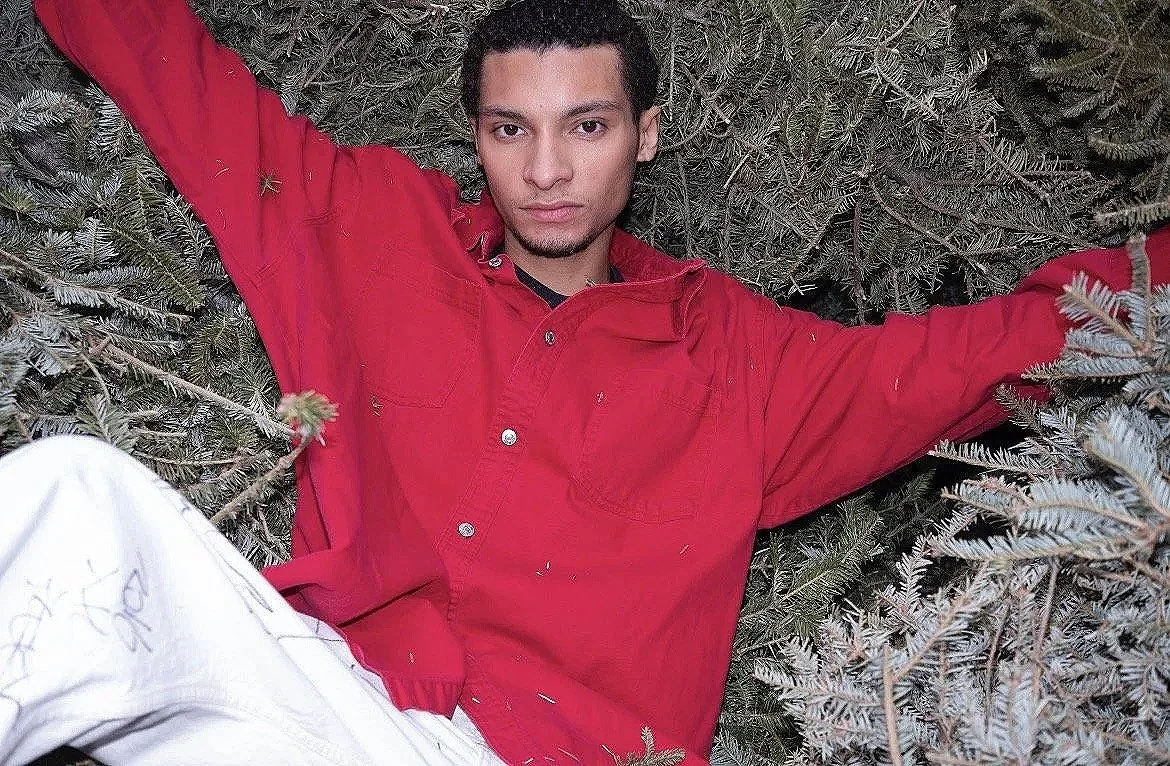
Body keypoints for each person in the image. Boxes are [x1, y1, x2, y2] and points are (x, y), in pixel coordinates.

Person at [4, 0, 1168, 764]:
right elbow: (167, 67)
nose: (547, 170)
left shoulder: (741, 363)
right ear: (476, 136)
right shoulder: (364, 230)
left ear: (645, 135)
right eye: (512, 130)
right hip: (327, 709)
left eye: (588, 126)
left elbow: (997, 352)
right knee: (73, 500)